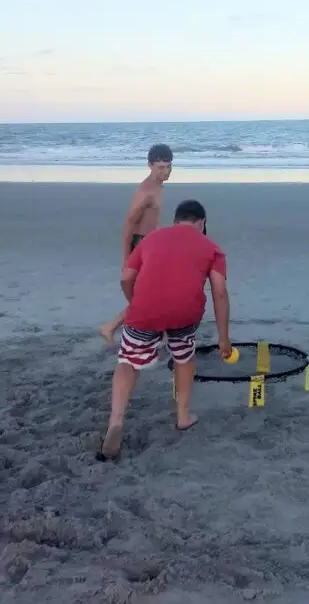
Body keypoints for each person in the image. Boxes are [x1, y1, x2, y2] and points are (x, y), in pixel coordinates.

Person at [97, 199, 232, 461]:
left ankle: (115, 421)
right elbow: (220, 292)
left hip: (144, 312)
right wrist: (223, 339)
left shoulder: (151, 239)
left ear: (176, 220)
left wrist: (135, 302)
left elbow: (126, 277)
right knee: (184, 357)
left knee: (128, 362)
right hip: (185, 315)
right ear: (202, 223)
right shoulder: (212, 247)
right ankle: (182, 416)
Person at [99, 144, 174, 344]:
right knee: (147, 296)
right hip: (139, 245)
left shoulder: (159, 186)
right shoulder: (146, 191)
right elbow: (129, 224)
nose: (165, 172)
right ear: (150, 165)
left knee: (157, 291)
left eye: (168, 167)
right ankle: (111, 326)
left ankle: (159, 329)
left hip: (151, 245)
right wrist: (127, 259)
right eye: (161, 168)